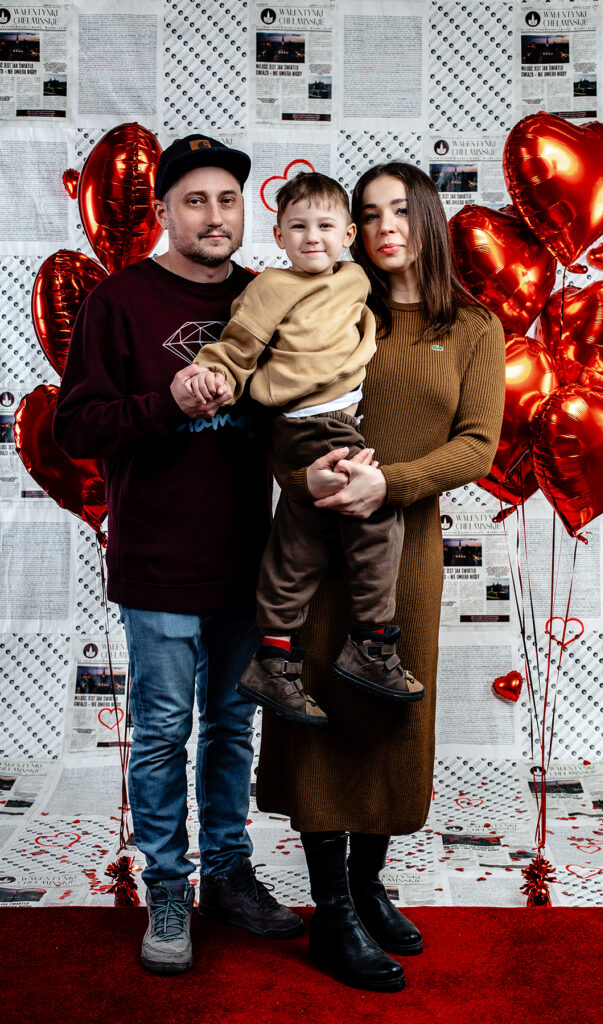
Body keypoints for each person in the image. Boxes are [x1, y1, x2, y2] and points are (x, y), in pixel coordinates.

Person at [53, 134, 304, 976]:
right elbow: (76, 426)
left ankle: (227, 875)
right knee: (162, 732)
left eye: (227, 200)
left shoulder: (268, 297)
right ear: (164, 211)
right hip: (159, 562)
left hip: (248, 562)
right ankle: (168, 885)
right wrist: (167, 401)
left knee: (232, 727)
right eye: (194, 201)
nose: (213, 216)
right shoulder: (118, 301)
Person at [256, 162, 506, 991]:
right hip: (317, 549)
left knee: (387, 718)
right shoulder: (331, 306)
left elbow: (475, 445)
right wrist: (308, 481)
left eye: (400, 210)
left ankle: (366, 885)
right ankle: (331, 913)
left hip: (408, 554)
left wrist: (386, 485)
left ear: (428, 218)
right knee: (320, 718)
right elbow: (283, 422)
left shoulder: (472, 326)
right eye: (367, 214)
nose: (384, 226)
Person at [188, 171, 423, 726]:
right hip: (315, 423)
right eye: (297, 227)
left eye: (325, 226)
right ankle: (371, 645)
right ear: (278, 235)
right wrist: (212, 375)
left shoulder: (355, 277)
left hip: (327, 421)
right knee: (375, 520)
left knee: (299, 543)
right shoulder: (272, 287)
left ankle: (273, 658)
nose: (312, 238)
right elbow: (239, 343)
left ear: (348, 235)